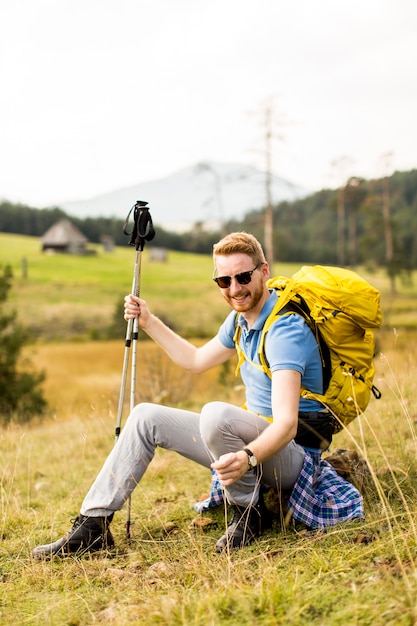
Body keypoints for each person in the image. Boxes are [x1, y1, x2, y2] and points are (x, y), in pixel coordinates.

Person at [31, 232, 363, 558]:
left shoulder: (284, 332)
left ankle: (249, 513)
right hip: (254, 450)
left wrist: (247, 457)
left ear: (264, 272)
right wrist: (148, 321)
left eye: (243, 276)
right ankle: (93, 526)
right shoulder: (239, 320)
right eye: (224, 281)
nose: (234, 289)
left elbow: (287, 425)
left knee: (217, 415)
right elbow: (194, 360)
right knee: (146, 416)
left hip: (292, 458)